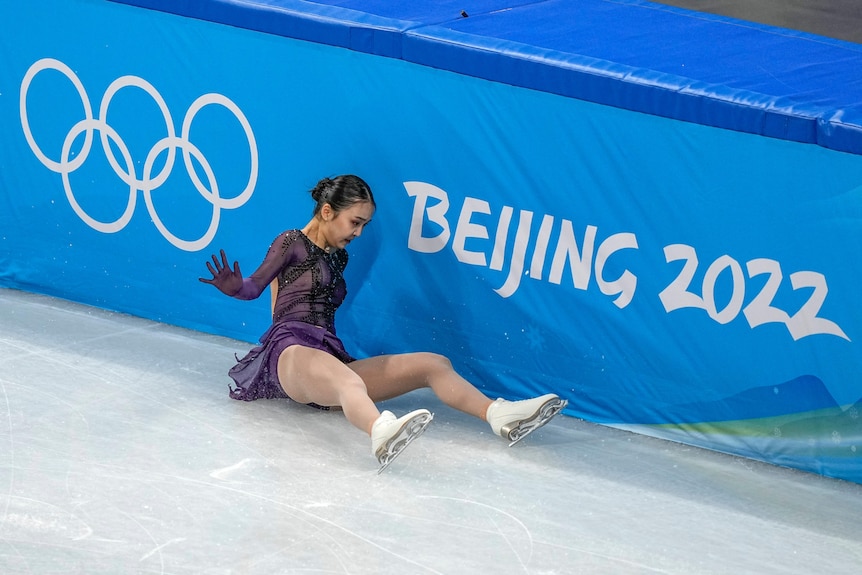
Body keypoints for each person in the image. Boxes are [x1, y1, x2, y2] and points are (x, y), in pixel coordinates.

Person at [200, 174, 567, 472]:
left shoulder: (338, 258)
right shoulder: (291, 241)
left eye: (364, 225)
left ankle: (499, 414)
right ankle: (380, 431)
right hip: (291, 354)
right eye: (354, 222)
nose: (358, 233)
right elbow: (255, 287)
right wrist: (236, 288)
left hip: (327, 358)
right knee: (347, 380)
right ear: (327, 211)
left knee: (432, 364)